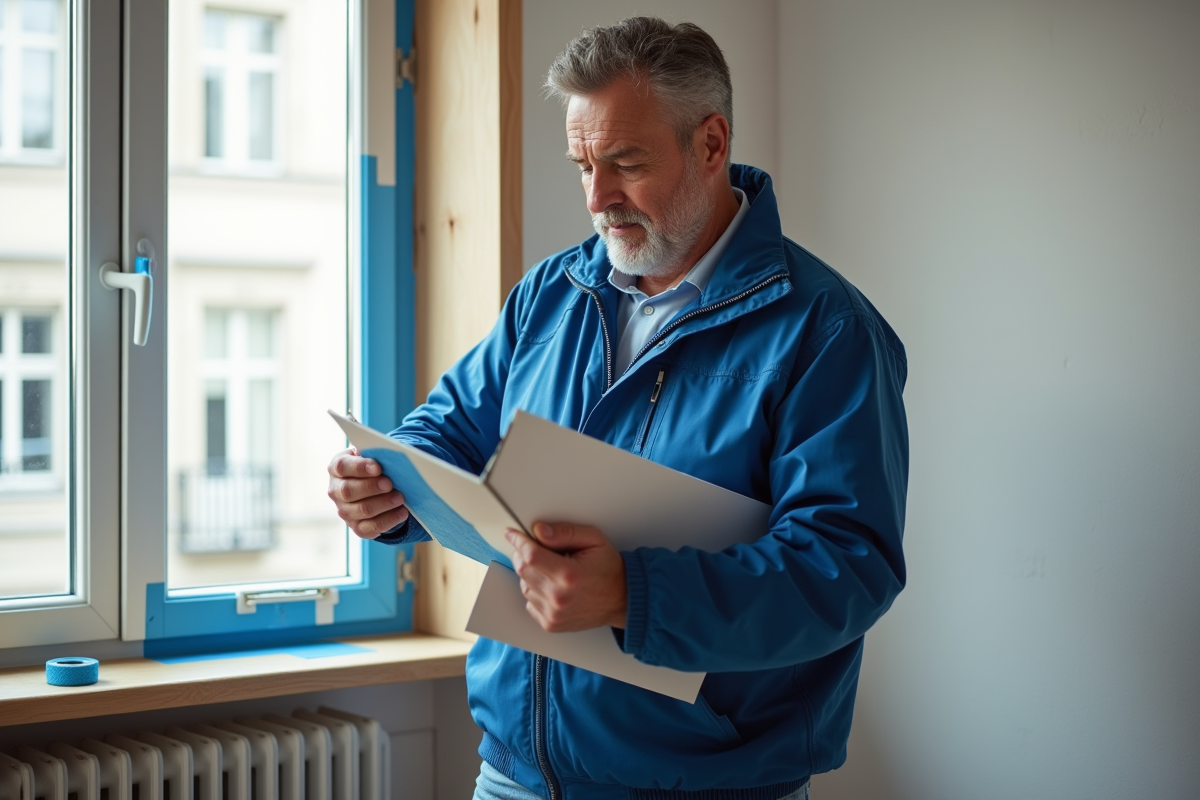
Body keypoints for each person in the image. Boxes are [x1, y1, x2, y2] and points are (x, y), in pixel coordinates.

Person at [327, 16, 908, 800]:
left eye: (626, 163)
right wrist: (388, 480)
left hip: (709, 785)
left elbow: (844, 566)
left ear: (710, 144)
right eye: (582, 165)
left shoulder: (827, 330)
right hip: (514, 776)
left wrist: (635, 596)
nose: (598, 199)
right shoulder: (552, 292)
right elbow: (452, 426)